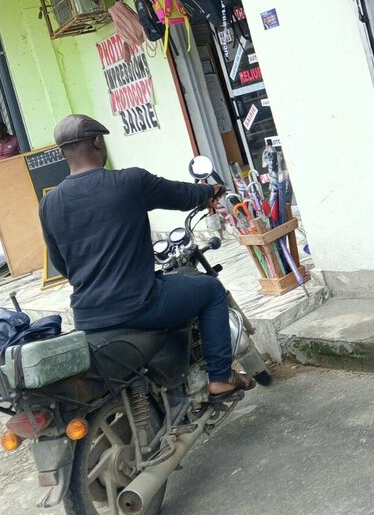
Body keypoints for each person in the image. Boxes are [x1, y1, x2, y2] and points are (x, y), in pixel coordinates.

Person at [39, 114, 252, 400]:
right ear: (97, 142)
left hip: (88, 318)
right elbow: (179, 194)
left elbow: (62, 266)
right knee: (211, 290)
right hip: (140, 305)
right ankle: (221, 378)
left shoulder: (49, 203)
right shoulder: (129, 182)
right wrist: (209, 191)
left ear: (63, 153)